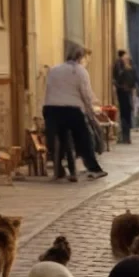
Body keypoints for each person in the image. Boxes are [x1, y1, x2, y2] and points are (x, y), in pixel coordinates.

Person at [43, 44, 108, 181]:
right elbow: (86, 94)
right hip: (71, 109)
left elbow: (48, 89)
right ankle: (94, 168)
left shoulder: (54, 70)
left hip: (51, 108)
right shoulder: (80, 71)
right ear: (81, 57)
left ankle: (59, 169)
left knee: (60, 138)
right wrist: (92, 112)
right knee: (84, 139)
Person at [112, 50, 138, 144]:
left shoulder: (127, 67)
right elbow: (134, 80)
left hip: (125, 93)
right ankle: (125, 136)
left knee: (125, 114)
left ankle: (125, 136)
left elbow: (132, 79)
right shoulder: (125, 67)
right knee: (126, 114)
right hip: (125, 93)